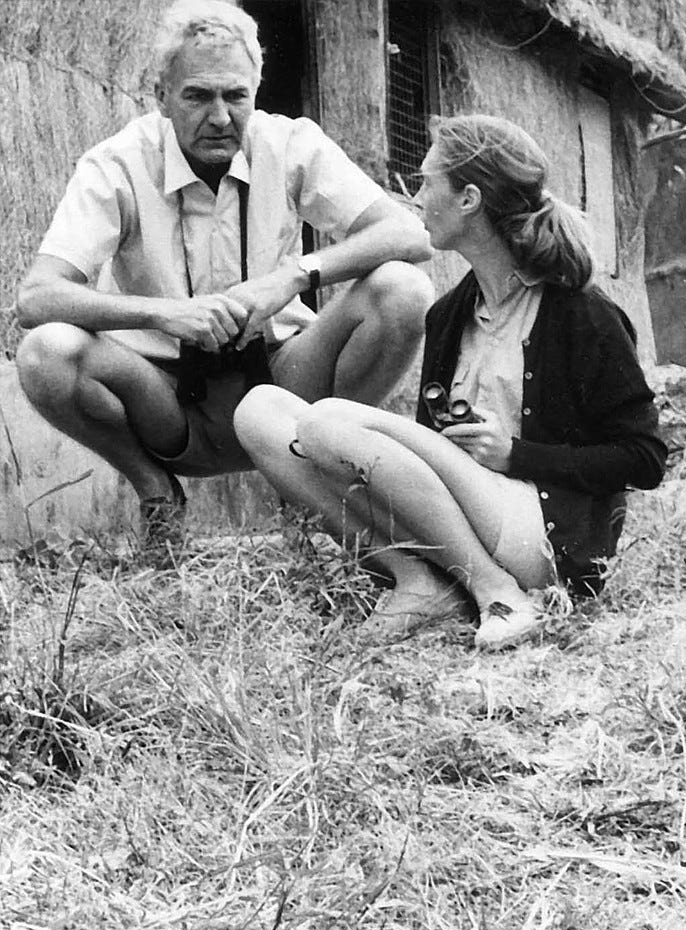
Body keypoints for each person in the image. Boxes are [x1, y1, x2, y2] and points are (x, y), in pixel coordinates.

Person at [14, 0, 434, 563]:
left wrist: (292, 276)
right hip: (165, 400)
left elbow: (409, 234)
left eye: (236, 96)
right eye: (197, 95)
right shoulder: (114, 163)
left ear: (257, 91)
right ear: (160, 94)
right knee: (45, 351)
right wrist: (159, 313)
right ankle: (157, 493)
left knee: (402, 290)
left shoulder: (289, 142)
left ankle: (320, 470)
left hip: (284, 382)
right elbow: (37, 297)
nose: (219, 117)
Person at [234, 114, 667, 651]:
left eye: (425, 183)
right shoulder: (449, 314)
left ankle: (498, 592)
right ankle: (421, 580)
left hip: (546, 535)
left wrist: (518, 455)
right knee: (258, 410)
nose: (414, 199)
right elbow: (420, 466)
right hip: (470, 521)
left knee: (325, 419)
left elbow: (645, 458)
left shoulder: (583, 315)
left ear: (468, 199)